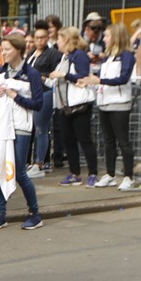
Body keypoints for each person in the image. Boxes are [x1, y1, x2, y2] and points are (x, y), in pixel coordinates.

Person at [0, 32, 45, 230]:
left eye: (7, 49)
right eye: (3, 49)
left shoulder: (32, 74)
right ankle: (1, 214)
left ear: (18, 50)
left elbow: (38, 103)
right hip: (1, 127)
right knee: (0, 169)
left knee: (18, 172)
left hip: (21, 127)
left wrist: (15, 96)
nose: (4, 53)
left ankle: (35, 213)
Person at [89, 23, 137, 190]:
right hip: (104, 102)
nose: (104, 38)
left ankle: (129, 176)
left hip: (119, 103)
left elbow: (123, 78)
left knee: (123, 141)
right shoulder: (108, 56)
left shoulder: (127, 55)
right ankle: (110, 174)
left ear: (116, 37)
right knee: (108, 141)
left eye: (107, 36)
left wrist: (100, 81)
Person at [51, 28, 97, 187]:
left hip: (79, 104)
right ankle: (74, 173)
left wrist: (64, 75)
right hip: (64, 105)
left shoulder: (79, 55)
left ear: (67, 40)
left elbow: (83, 76)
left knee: (84, 139)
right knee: (68, 140)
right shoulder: (65, 57)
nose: (57, 42)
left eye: (59, 39)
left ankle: (93, 173)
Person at [24, 24, 60, 174]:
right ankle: (33, 161)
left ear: (47, 38)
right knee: (34, 129)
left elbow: (56, 74)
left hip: (45, 92)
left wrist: (42, 78)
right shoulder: (32, 53)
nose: (40, 40)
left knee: (41, 129)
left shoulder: (52, 53)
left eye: (43, 37)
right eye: (37, 37)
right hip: (32, 93)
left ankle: (40, 162)